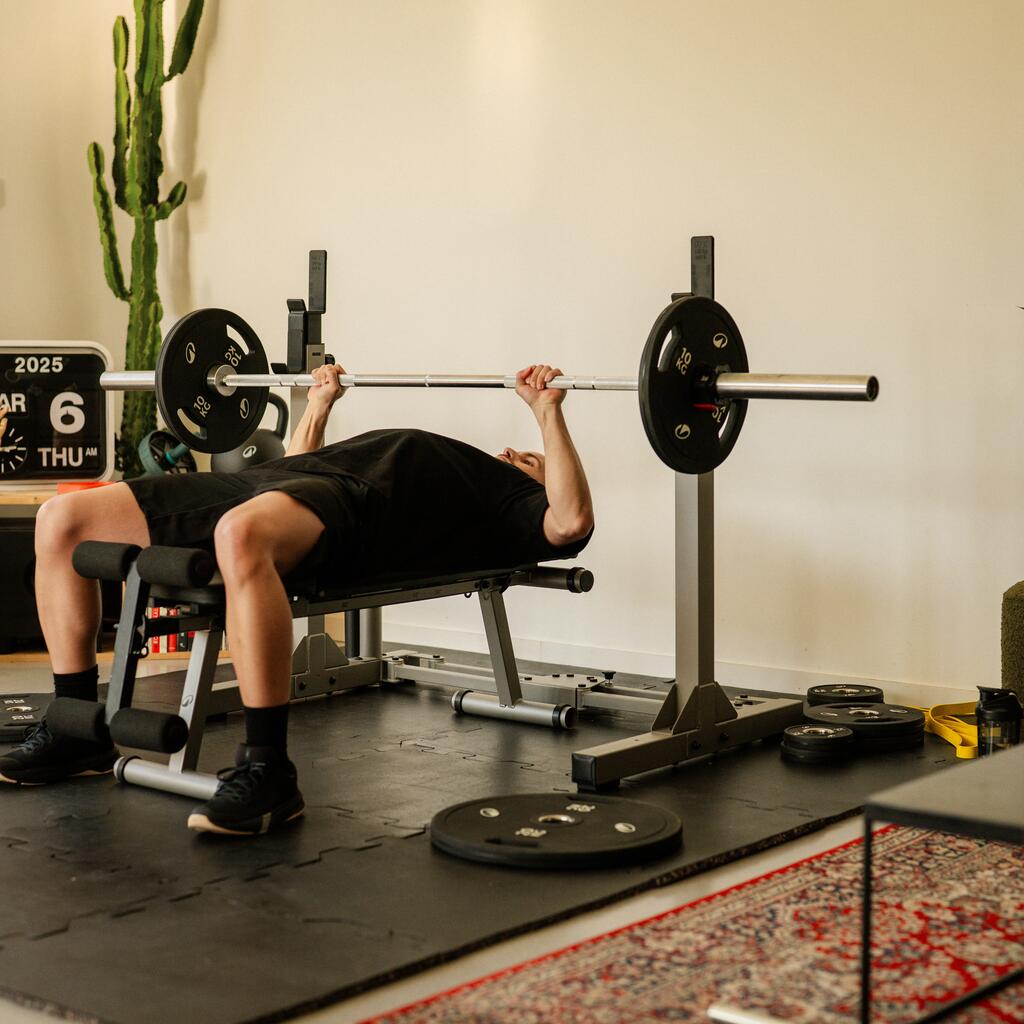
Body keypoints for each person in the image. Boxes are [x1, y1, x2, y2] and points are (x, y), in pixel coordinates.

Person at [0, 364, 594, 835]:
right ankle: (76, 725)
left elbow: (570, 521)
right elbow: (296, 466)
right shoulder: (467, 463)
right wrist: (318, 405)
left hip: (357, 511)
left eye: (531, 463)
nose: (516, 456)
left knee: (241, 534)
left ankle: (267, 769)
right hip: (283, 480)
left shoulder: (505, 506)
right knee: (61, 519)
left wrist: (546, 415)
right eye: (519, 451)